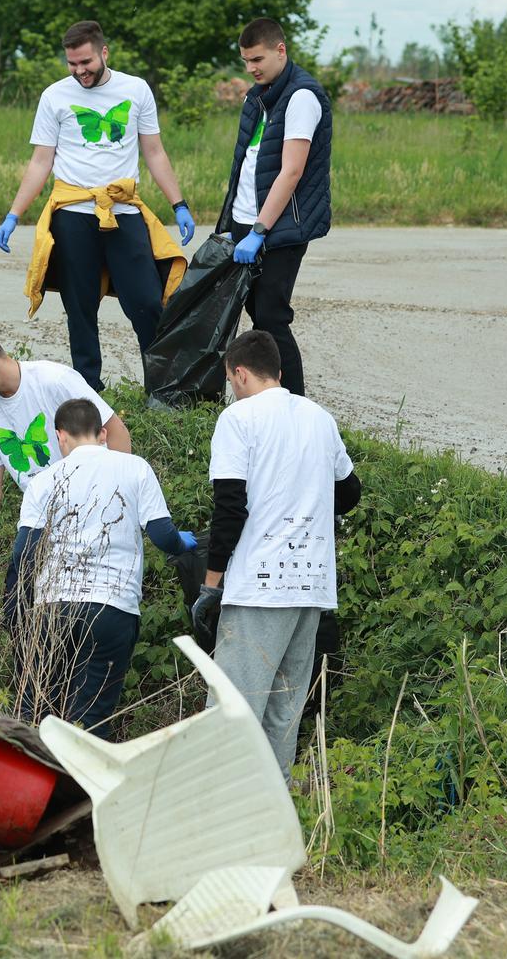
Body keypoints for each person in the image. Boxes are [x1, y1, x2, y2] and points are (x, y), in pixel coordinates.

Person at [0, 19, 196, 392]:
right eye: (72, 64)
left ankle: (161, 388)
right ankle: (89, 390)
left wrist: (178, 204)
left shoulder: (135, 90)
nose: (79, 71)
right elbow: (41, 160)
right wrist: (14, 213)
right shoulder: (54, 96)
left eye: (85, 62)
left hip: (123, 211)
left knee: (148, 302)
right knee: (80, 307)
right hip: (72, 214)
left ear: (104, 52)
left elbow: (153, 151)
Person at [192, 330, 360, 772]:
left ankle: (225, 813)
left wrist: (210, 584)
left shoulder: (239, 418)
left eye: (231, 380)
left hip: (259, 590)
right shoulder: (319, 417)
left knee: (231, 714)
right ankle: (273, 813)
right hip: (311, 589)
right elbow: (350, 493)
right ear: (280, 373)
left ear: (240, 374)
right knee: (283, 714)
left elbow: (230, 507)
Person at [14, 398, 196, 738]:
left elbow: (25, 552)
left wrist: (22, 612)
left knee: (41, 713)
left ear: (60, 437)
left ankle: (40, 782)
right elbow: (161, 534)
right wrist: (182, 544)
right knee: (90, 720)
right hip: (111, 608)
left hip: (53, 608)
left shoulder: (43, 480)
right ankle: (87, 783)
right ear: (102, 434)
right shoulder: (134, 467)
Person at [0, 327, 130, 626]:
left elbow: (115, 432)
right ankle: (32, 672)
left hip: (91, 516)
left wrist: (119, 504)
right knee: (18, 614)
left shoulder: (54, 380)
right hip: (41, 522)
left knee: (82, 620)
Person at [215, 17, 333, 396]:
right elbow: (247, 162)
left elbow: (292, 170)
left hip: (279, 228)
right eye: (246, 61)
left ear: (280, 50)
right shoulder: (257, 96)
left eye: (258, 59)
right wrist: (233, 221)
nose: (251, 69)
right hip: (243, 220)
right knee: (248, 312)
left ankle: (295, 405)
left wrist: (259, 231)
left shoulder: (302, 97)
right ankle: (259, 397)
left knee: (272, 317)